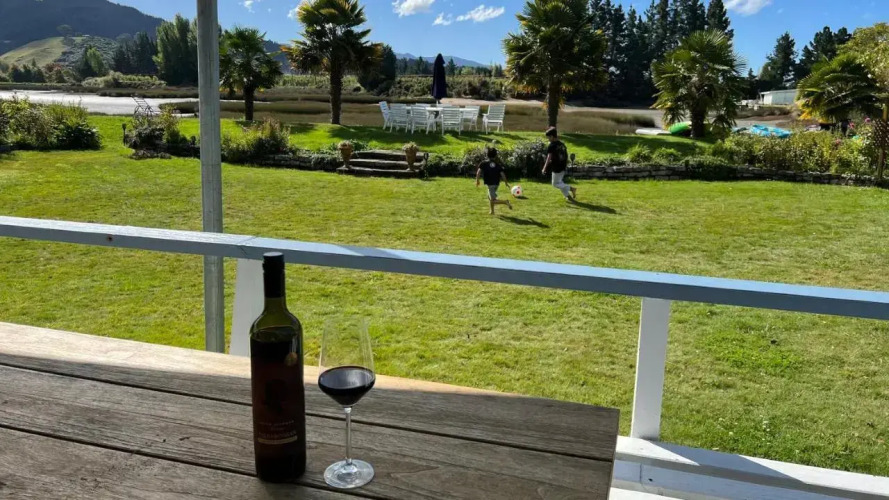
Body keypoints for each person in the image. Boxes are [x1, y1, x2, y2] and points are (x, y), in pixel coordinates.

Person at [542, 127, 576, 201]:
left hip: (556, 167)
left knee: (555, 184)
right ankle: (568, 197)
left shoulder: (551, 145)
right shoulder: (562, 144)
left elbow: (549, 158)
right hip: (563, 167)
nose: (548, 139)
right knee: (560, 183)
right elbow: (566, 155)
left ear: (552, 136)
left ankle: (572, 189)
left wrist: (544, 168)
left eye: (548, 137)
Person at [476, 147, 512, 215]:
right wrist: (506, 183)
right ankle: (492, 211)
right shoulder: (497, 164)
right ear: (495, 156)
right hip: (496, 183)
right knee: (490, 197)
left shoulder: (484, 163)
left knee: (492, 200)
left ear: (487, 155)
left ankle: (505, 202)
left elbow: (478, 172)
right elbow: (502, 174)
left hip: (490, 184)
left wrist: (477, 180)